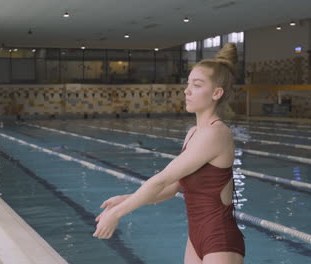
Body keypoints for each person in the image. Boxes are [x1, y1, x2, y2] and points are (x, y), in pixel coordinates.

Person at [93, 43, 245, 264]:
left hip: (219, 238)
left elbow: (161, 179)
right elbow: (171, 188)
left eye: (197, 85)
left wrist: (118, 214)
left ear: (216, 93)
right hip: (196, 238)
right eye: (188, 83)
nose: (187, 90)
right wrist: (127, 199)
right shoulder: (193, 133)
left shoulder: (216, 134)